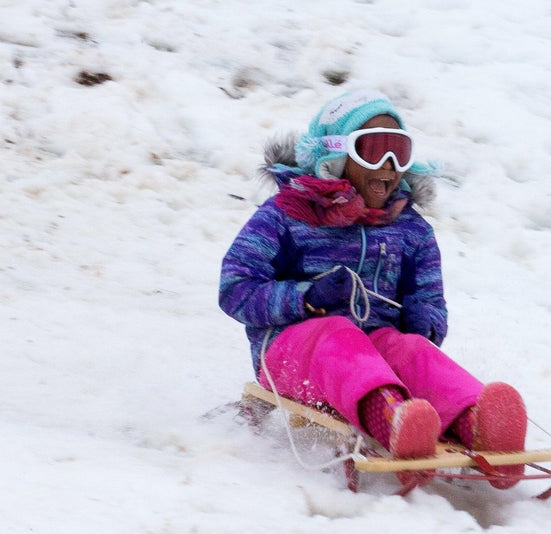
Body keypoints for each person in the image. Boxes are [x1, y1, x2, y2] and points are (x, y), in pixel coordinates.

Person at [219, 90, 527, 488]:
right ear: (334, 156)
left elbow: (431, 302)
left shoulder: (410, 230)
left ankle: (478, 423)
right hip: (288, 356)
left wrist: (425, 321)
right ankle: (394, 419)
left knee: (411, 349)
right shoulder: (285, 216)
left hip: (377, 348)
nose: (389, 165)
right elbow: (235, 287)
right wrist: (305, 298)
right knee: (338, 333)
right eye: (374, 150)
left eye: (399, 151)